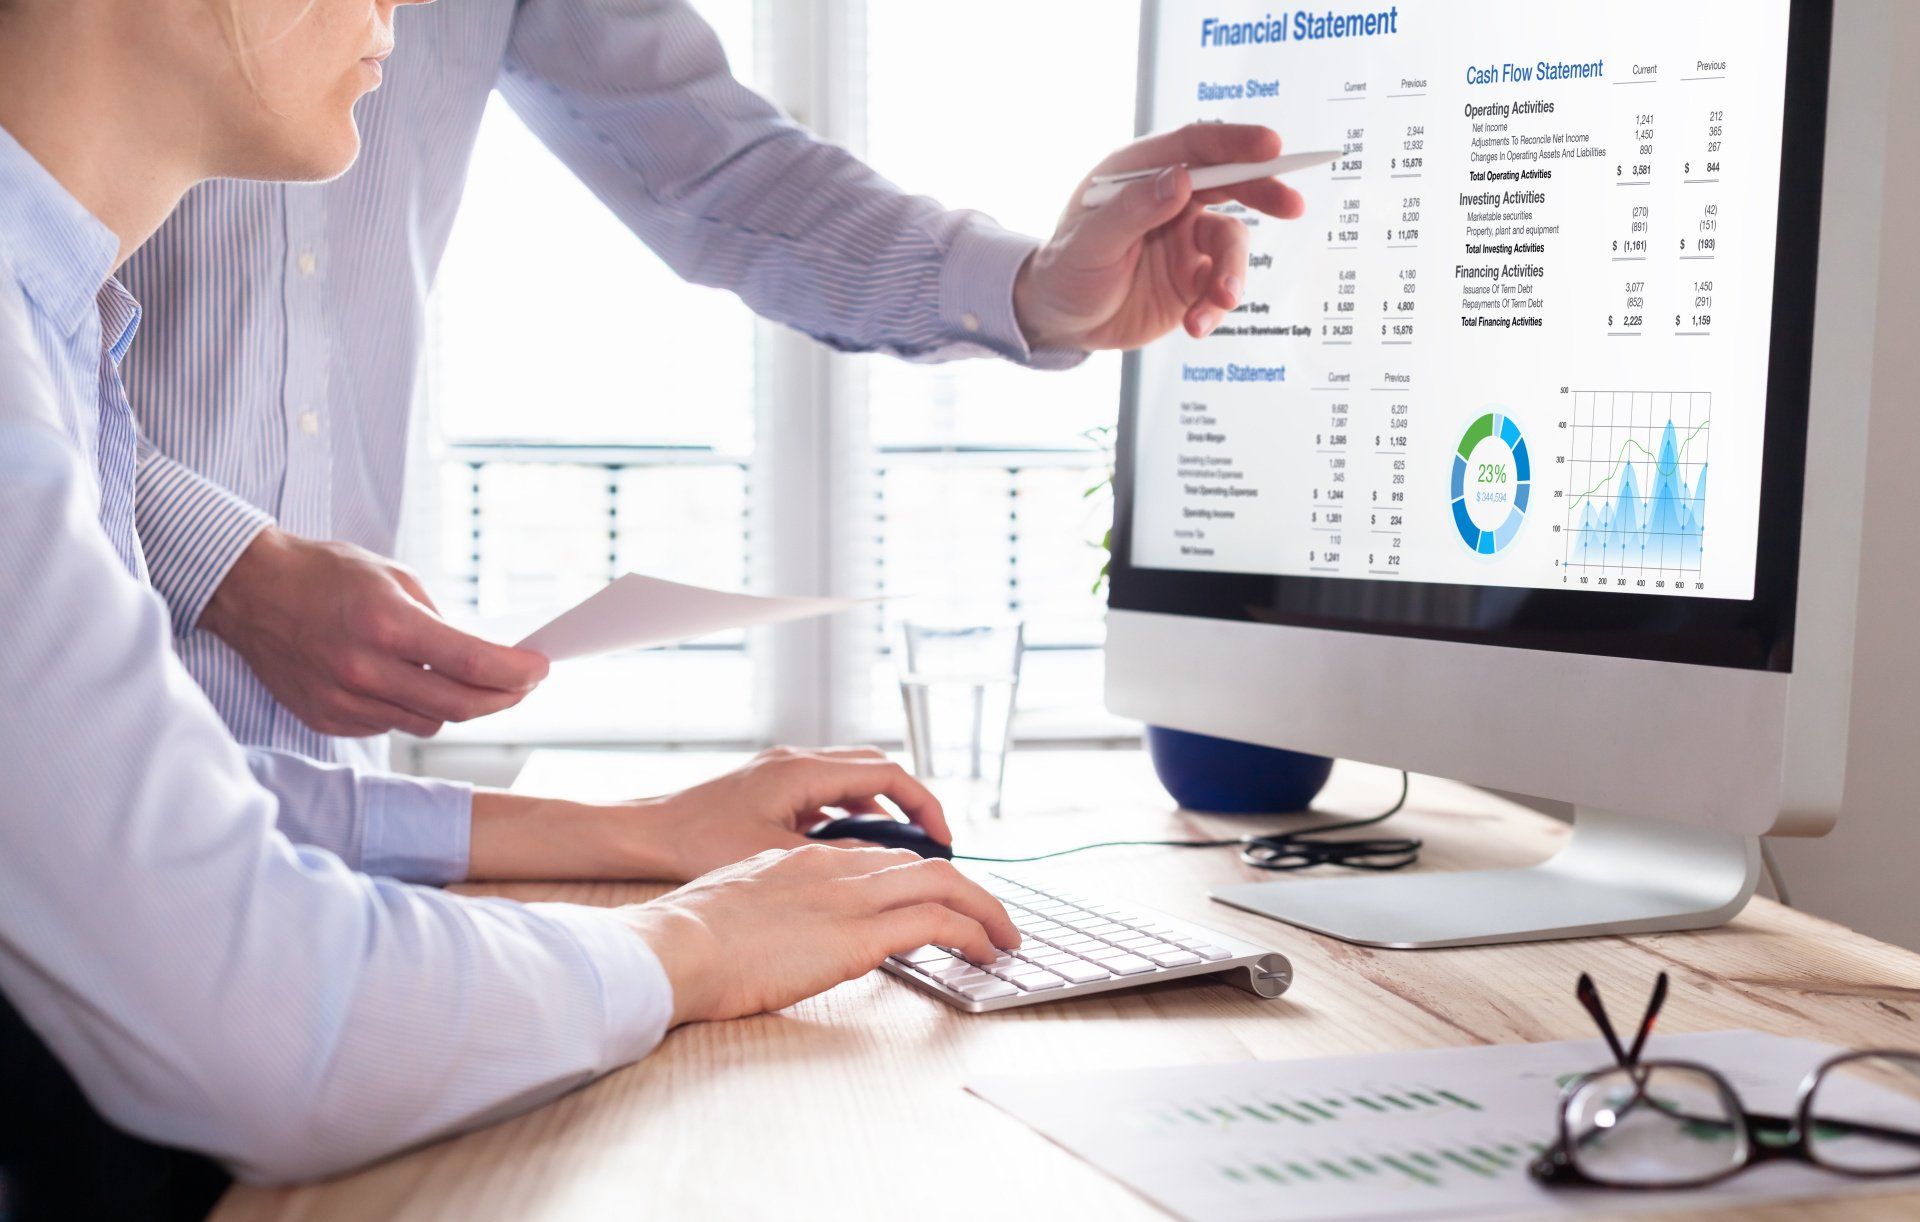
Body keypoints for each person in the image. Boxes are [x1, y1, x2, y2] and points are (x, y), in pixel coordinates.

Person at [0, 1, 1024, 1212]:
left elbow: (166, 806)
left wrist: (640, 832)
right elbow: (270, 1015)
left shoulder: (56, 332)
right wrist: (696, 943)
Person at [121, 0, 1306, 768]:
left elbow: (716, 170)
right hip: (75, 719)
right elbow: (36, 308)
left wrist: (1037, 288)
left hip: (326, 771)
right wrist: (225, 566)